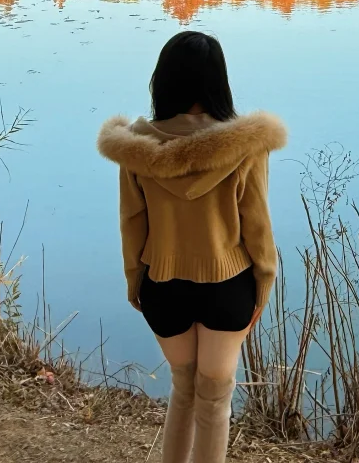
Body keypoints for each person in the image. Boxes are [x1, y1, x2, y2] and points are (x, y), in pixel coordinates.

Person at [97, 32, 286, 463]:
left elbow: (132, 222)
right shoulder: (246, 146)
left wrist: (135, 282)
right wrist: (264, 283)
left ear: (162, 80)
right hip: (228, 285)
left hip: (163, 286)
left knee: (183, 389)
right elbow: (256, 225)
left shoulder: (136, 147)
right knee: (215, 401)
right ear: (219, 82)